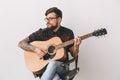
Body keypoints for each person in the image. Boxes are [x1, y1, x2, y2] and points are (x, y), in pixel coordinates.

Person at [18, 7, 82, 80]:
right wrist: (36, 49)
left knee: (53, 63)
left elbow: (74, 54)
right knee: (56, 78)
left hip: (62, 67)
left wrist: (76, 46)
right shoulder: (42, 32)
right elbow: (21, 43)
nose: (47, 21)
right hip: (44, 67)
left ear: (59, 20)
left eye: (50, 19)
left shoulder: (68, 33)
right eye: (46, 19)